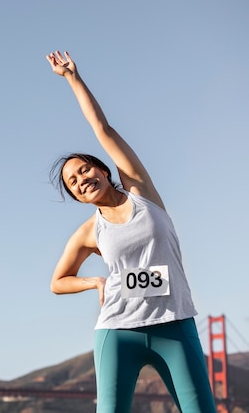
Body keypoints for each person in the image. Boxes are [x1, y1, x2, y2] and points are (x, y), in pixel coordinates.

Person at [45, 50, 217, 413]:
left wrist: (73, 79)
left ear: (104, 171)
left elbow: (103, 130)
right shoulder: (88, 232)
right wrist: (94, 282)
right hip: (117, 331)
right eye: (73, 182)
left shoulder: (142, 192)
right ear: (76, 196)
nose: (82, 180)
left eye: (85, 170)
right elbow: (58, 281)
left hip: (174, 324)